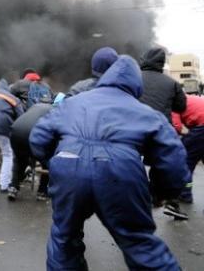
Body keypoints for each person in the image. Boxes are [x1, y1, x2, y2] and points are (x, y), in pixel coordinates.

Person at [30, 55, 189, 271]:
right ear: (135, 84)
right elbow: (174, 160)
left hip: (68, 166)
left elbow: (38, 137)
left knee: (64, 237)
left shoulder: (73, 102)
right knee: (140, 244)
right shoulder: (146, 112)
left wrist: (57, 163)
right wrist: (160, 193)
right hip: (120, 172)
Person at [139, 47, 188, 219]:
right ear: (162, 62)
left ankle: (135, 198)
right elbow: (181, 107)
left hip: (132, 130)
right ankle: (171, 203)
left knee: (128, 162)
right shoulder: (171, 83)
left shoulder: (133, 78)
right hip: (159, 132)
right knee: (166, 165)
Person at [0, 79, 24, 193]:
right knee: (7, 154)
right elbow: (21, 116)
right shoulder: (12, 97)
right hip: (4, 127)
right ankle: (4, 184)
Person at [8, 103, 53, 201]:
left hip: (16, 130)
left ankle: (13, 187)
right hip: (33, 133)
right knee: (48, 162)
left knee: (19, 160)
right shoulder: (54, 111)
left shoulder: (35, 106)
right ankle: (42, 192)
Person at [172, 94, 204, 204]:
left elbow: (176, 126)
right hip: (200, 125)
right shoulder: (189, 97)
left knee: (186, 160)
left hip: (201, 128)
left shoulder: (174, 102)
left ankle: (185, 194)